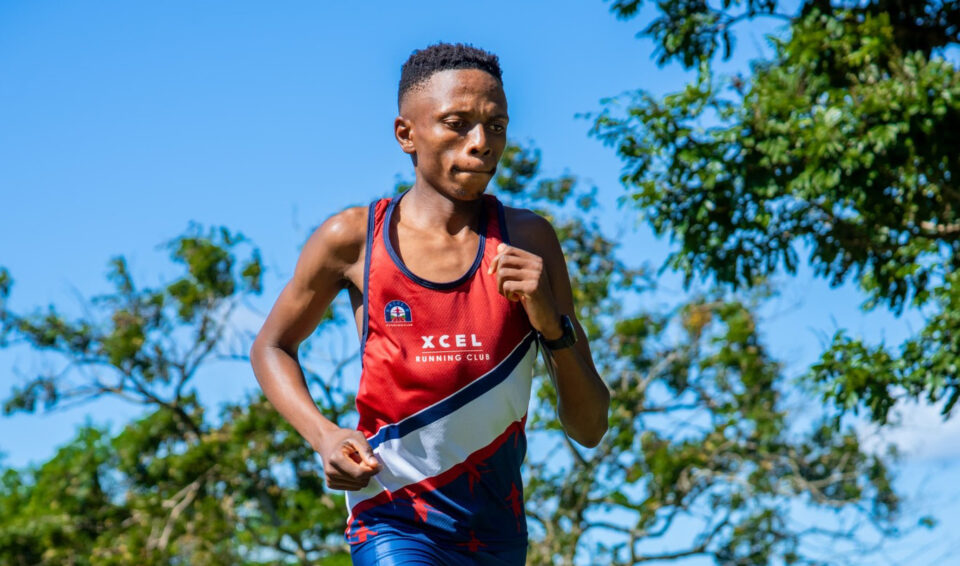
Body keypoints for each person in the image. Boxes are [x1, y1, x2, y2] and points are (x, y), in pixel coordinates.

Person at [250, 42, 610, 566]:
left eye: (496, 126)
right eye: (457, 124)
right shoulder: (354, 240)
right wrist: (324, 436)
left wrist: (551, 324)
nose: (481, 143)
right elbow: (271, 346)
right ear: (406, 134)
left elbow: (590, 427)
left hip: (498, 535)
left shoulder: (528, 240)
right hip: (392, 518)